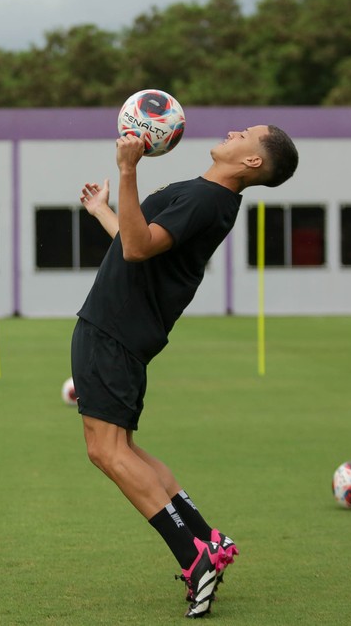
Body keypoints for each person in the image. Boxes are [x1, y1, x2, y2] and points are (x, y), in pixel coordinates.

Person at [71, 125, 299, 618]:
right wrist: (104, 212)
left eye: (248, 134)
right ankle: (207, 540)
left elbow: (135, 250)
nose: (234, 131)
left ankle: (194, 557)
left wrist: (128, 168)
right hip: (125, 329)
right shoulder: (210, 199)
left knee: (105, 450)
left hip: (113, 329)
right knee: (120, 448)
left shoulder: (205, 197)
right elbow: (139, 247)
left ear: (253, 163)